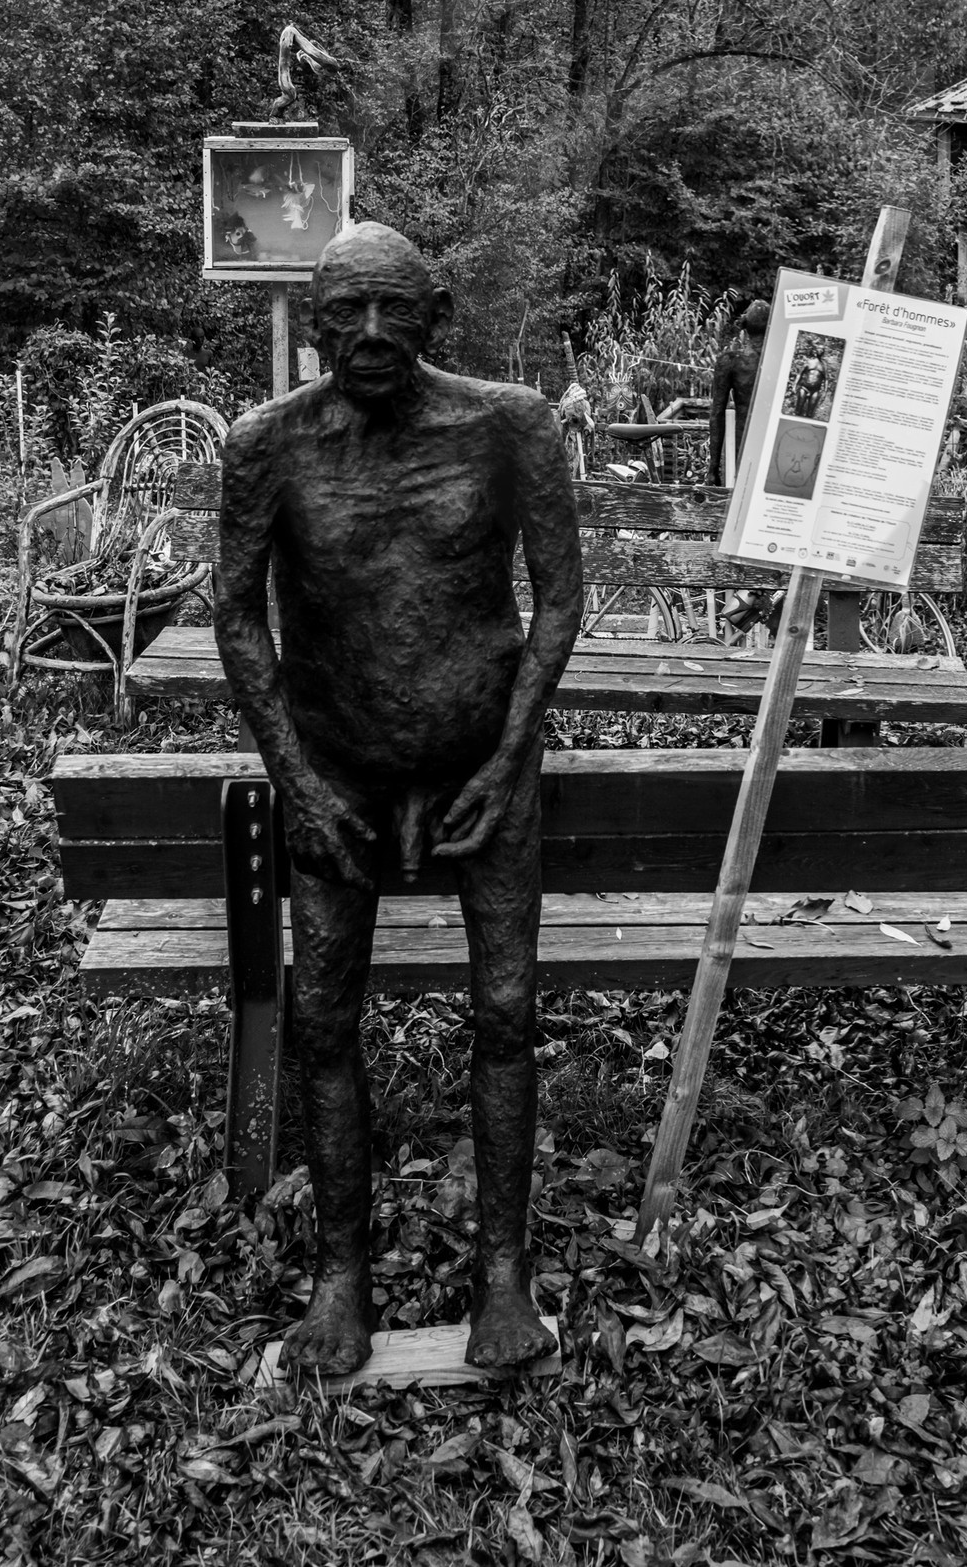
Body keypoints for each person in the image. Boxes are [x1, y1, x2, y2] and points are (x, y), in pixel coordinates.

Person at [214, 221, 582, 1379]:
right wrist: (298, 779)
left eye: (390, 310)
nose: (367, 335)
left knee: (509, 1009)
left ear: (434, 311)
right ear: (314, 324)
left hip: (487, 769)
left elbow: (560, 600)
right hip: (335, 777)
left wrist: (507, 757)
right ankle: (340, 1276)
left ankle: (504, 1273)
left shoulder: (510, 423)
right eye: (342, 316)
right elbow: (235, 613)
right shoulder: (265, 446)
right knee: (324, 1020)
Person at [708, 299, 770, 484]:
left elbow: (717, 414)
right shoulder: (780, 362)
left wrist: (713, 469)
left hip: (744, 443)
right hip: (770, 441)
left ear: (744, 325)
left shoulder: (730, 361)